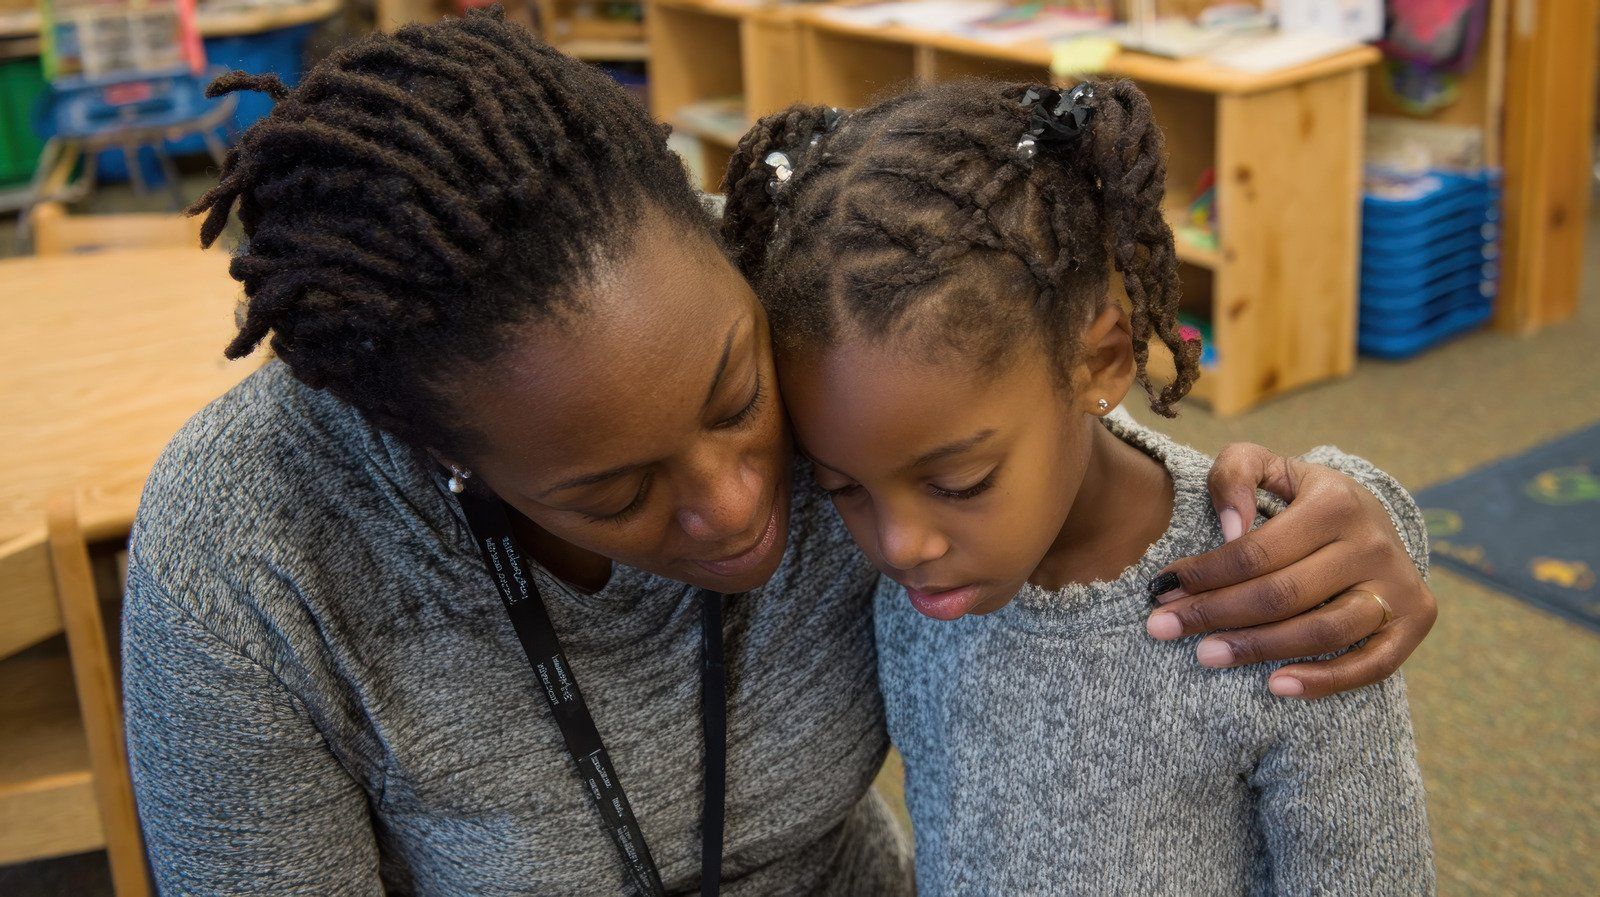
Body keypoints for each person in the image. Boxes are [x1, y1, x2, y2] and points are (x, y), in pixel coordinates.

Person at [123, 11, 1435, 895]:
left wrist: (1347, 514)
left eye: (743, 399)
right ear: (439, 456)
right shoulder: (255, 552)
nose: (748, 501)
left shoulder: (801, 291)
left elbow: (1029, 407)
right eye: (618, 491)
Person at [720, 79, 1435, 894]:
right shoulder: (922, 589)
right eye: (841, 486)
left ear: (1102, 362)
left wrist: (1388, 506)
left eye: (960, 482)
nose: (898, 544)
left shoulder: (1276, 593)